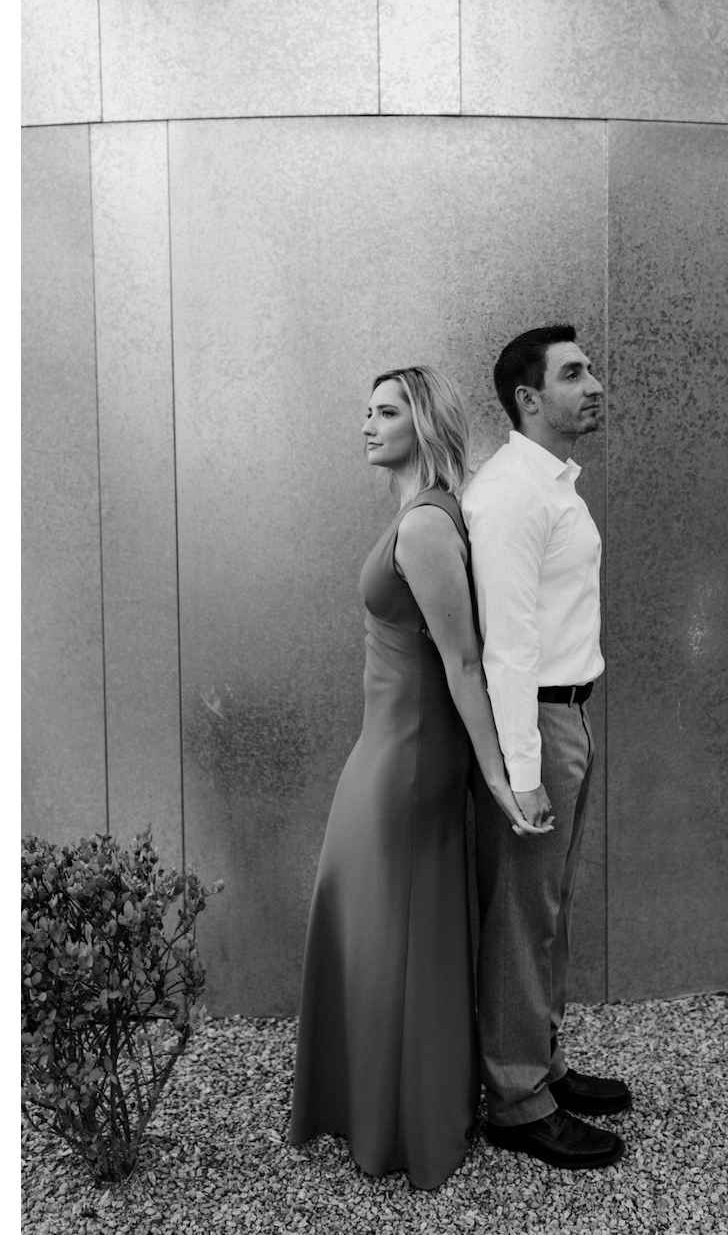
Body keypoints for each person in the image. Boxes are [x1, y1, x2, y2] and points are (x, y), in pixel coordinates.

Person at [288, 365, 551, 1191]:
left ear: (424, 421)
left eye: (386, 411)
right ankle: (382, 1106)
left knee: (393, 935)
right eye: (365, 411)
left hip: (406, 763)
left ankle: (404, 1121)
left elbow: (464, 663)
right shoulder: (417, 511)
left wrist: (500, 776)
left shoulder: (428, 524)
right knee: (380, 929)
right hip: (387, 751)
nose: (367, 424)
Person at [462, 325, 630, 1170]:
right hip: (536, 720)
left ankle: (543, 1061)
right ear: (529, 398)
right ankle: (517, 1099)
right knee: (522, 918)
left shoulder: (552, 482)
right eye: (574, 373)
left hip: (570, 715)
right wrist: (522, 773)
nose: (594, 383)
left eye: (590, 368)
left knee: (550, 907)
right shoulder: (510, 494)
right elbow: (507, 648)